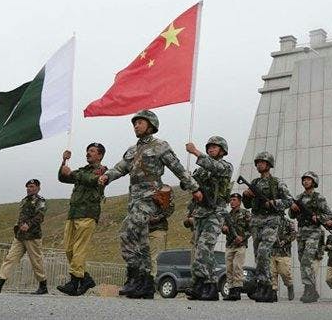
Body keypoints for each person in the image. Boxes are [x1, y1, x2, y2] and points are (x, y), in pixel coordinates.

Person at [98, 109, 201, 300]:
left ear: (151, 125)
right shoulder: (132, 150)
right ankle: (142, 281)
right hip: (134, 199)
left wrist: (194, 188)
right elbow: (121, 168)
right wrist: (107, 176)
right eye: (134, 123)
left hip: (150, 197)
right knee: (139, 240)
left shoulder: (160, 146)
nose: (136, 125)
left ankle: (138, 277)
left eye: (140, 122)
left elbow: (177, 168)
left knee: (128, 232)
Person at [184, 136, 233, 301]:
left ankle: (199, 283)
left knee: (204, 247)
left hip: (215, 212)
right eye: (209, 147)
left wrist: (195, 152)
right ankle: (209, 286)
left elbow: (214, 166)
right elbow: (190, 184)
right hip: (200, 213)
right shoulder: (202, 169)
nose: (211, 149)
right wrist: (187, 179)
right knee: (203, 251)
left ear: (222, 150)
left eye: (215, 147)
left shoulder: (225, 166)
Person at [241, 151, 293, 302]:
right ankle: (264, 287)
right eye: (257, 162)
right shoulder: (254, 183)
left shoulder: (277, 182)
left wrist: (274, 203)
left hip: (271, 219)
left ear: (269, 165)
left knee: (264, 251)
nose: (259, 164)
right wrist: (246, 196)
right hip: (256, 220)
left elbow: (289, 200)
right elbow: (248, 205)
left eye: (262, 162)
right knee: (258, 254)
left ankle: (268, 287)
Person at [56, 143, 107, 296]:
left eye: (92, 151)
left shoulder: (103, 170)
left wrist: (72, 173)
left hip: (88, 214)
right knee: (69, 249)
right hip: (73, 213)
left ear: (100, 155)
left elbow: (92, 180)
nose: (88, 153)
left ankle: (74, 282)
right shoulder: (82, 170)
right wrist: (64, 162)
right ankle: (86, 278)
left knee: (79, 249)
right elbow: (62, 178)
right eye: (87, 150)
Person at [0, 179, 48, 295]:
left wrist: (29, 224)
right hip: (20, 237)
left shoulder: (40, 200)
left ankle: (43, 286)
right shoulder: (24, 201)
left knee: (36, 261)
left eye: (32, 186)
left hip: (32, 236)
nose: (29, 188)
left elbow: (40, 216)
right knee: (10, 258)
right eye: (28, 186)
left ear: (38, 188)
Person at [288, 171, 331, 303]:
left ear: (314, 182)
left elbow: (328, 214)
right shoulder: (299, 197)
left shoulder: (319, 198)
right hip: (301, 232)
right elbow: (291, 215)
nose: (306, 181)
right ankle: (312, 290)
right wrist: (293, 209)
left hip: (314, 232)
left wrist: (317, 217)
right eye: (304, 179)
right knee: (303, 261)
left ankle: (308, 289)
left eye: (309, 179)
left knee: (307, 260)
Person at [223, 192, 251, 301]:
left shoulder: (245, 213)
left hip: (240, 245)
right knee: (229, 268)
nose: (232, 202)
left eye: (234, 200)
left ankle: (237, 290)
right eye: (231, 200)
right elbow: (223, 227)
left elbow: (251, 228)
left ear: (239, 201)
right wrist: (224, 228)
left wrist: (243, 238)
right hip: (230, 245)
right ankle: (231, 290)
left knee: (237, 267)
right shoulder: (228, 215)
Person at [149, 185, 175, 279]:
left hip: (157, 228)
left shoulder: (165, 189)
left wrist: (157, 218)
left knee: (152, 257)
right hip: (142, 228)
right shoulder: (142, 187)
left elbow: (170, 209)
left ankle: (150, 281)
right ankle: (141, 281)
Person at [270, 214, 297, 300]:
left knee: (285, 272)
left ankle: (289, 285)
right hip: (271, 251)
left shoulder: (288, 222)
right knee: (272, 273)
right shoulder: (269, 222)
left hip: (284, 252)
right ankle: (273, 292)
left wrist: (285, 240)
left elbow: (294, 234)